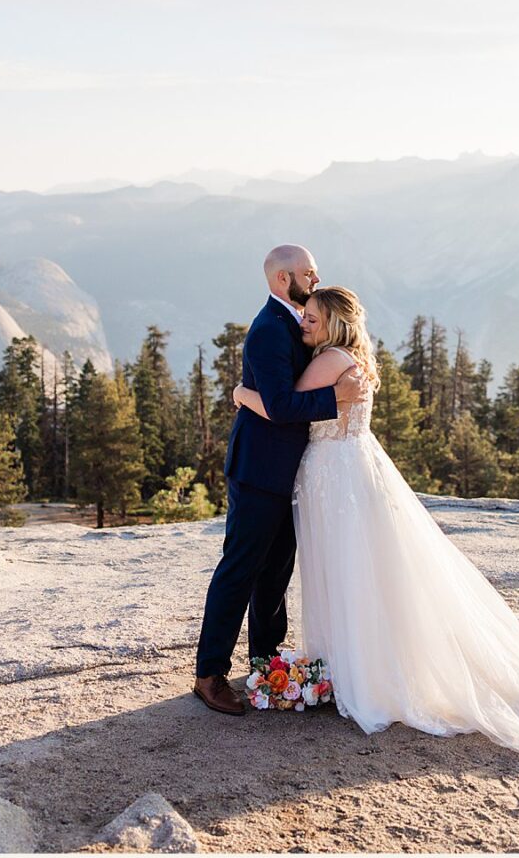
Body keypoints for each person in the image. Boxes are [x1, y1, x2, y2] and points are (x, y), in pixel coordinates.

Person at [231, 285, 519, 763]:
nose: (304, 324)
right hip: (351, 471)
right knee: (364, 568)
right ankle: (360, 659)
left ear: (336, 324)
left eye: (313, 318)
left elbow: (283, 411)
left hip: (335, 477)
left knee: (346, 568)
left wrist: (242, 392)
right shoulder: (351, 356)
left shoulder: (328, 360)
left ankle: (358, 668)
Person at [193, 244, 370, 715]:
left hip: (294, 473)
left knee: (275, 573)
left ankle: (265, 663)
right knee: (240, 569)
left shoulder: (296, 322)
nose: (316, 279)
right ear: (281, 279)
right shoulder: (269, 331)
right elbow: (279, 407)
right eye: (308, 273)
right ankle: (209, 675)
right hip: (260, 471)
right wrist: (338, 397)